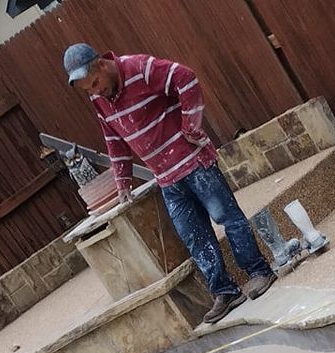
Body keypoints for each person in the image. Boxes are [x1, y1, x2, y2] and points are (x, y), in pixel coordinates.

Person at [63, 42, 276, 325]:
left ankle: (258, 271)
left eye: (95, 83)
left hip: (194, 162)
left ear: (102, 64)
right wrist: (122, 179)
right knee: (193, 236)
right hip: (165, 178)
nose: (95, 92)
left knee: (227, 217)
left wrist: (190, 126)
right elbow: (113, 138)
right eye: (88, 90)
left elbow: (185, 78)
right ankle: (225, 292)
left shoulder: (139, 68)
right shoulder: (99, 99)